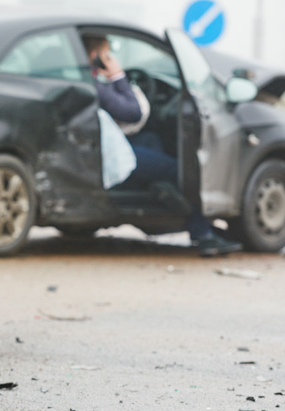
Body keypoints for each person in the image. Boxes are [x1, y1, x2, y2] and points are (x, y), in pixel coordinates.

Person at [82, 34, 242, 257]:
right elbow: (132, 112)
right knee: (180, 170)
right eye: (107, 55)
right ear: (96, 56)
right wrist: (118, 76)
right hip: (107, 155)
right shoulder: (94, 85)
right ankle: (203, 233)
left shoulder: (83, 81)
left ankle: (159, 190)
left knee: (151, 141)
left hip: (100, 146)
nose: (110, 59)